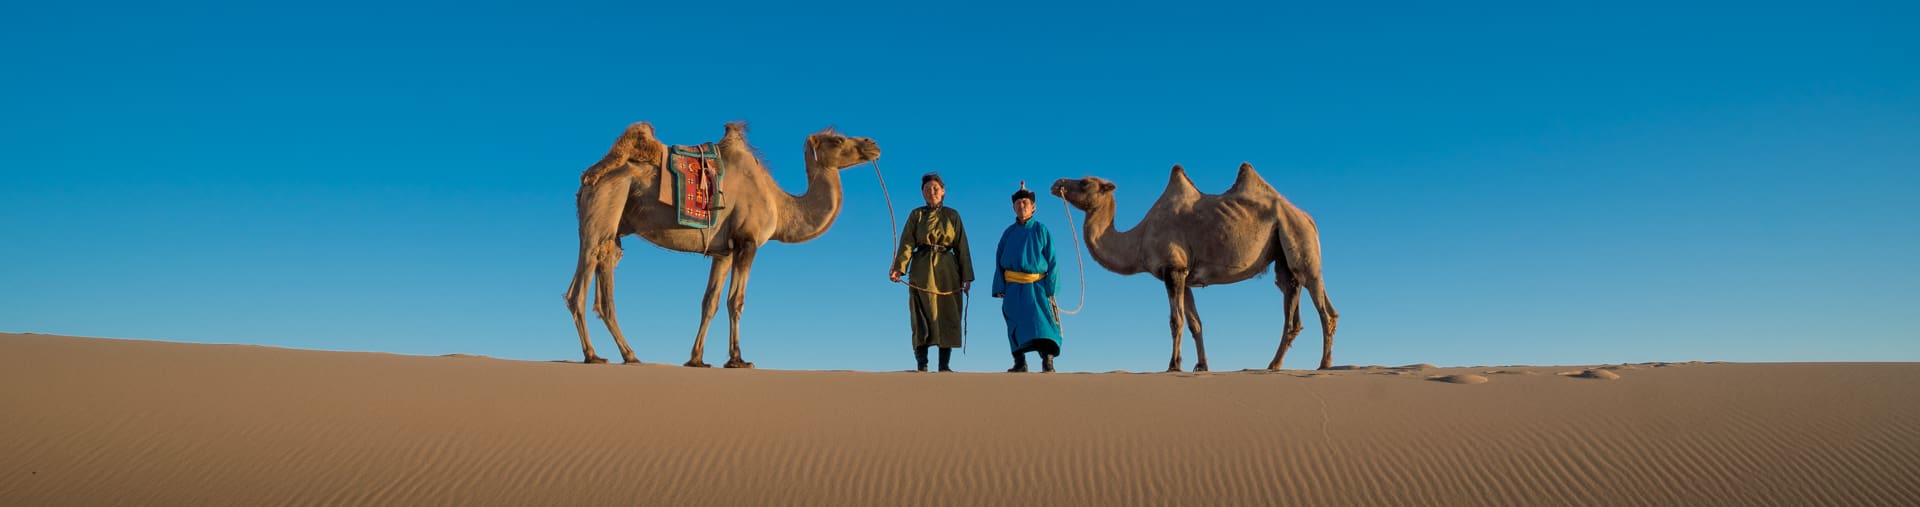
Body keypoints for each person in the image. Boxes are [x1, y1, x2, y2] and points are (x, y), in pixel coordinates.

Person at [890, 172, 974, 372]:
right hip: (922, 269)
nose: (931, 192)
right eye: (927, 189)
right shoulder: (916, 215)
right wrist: (898, 268)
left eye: (935, 188)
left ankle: (944, 365)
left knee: (947, 313)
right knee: (921, 314)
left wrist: (966, 276)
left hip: (948, 270)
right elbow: (907, 243)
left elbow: (962, 246)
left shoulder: (952, 215)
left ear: (943, 191)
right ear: (922, 193)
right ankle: (922, 364)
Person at [992, 182, 1061, 373]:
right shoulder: (1008, 233)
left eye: (1025, 202)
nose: (1022, 205)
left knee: (1043, 323)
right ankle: (1019, 363)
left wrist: (1051, 287)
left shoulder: (1041, 230)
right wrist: (1000, 287)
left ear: (1033, 207)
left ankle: (1048, 363)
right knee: (1014, 322)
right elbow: (999, 259)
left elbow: (1052, 259)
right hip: (1013, 287)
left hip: (1037, 285)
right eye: (1018, 203)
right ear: (1013, 207)